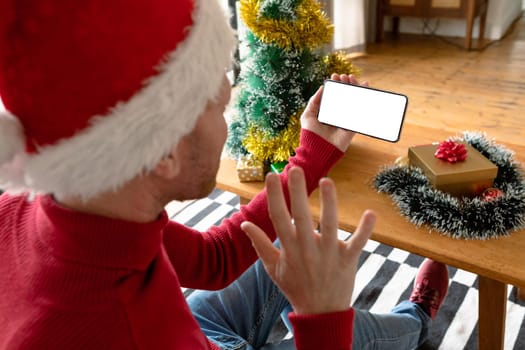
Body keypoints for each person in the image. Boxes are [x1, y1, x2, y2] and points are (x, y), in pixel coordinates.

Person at [0, 0, 449, 349]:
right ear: (163, 152)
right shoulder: (127, 334)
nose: (227, 122)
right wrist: (324, 317)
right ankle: (418, 319)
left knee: (279, 242)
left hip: (197, 327)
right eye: (220, 106)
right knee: (357, 333)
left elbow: (212, 261)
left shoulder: (80, 213)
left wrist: (313, 151)